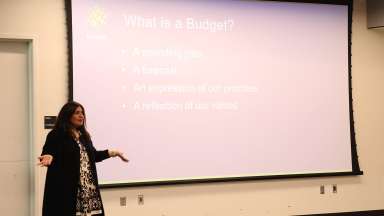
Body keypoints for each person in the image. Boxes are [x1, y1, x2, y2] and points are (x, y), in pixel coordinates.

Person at [38, 101, 128, 216]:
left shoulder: (84, 136)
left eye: (82, 113)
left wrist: (112, 153)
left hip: (88, 190)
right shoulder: (56, 135)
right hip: (68, 192)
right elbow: (47, 152)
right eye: (77, 113)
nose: (81, 116)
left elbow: (93, 156)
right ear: (67, 115)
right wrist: (48, 156)